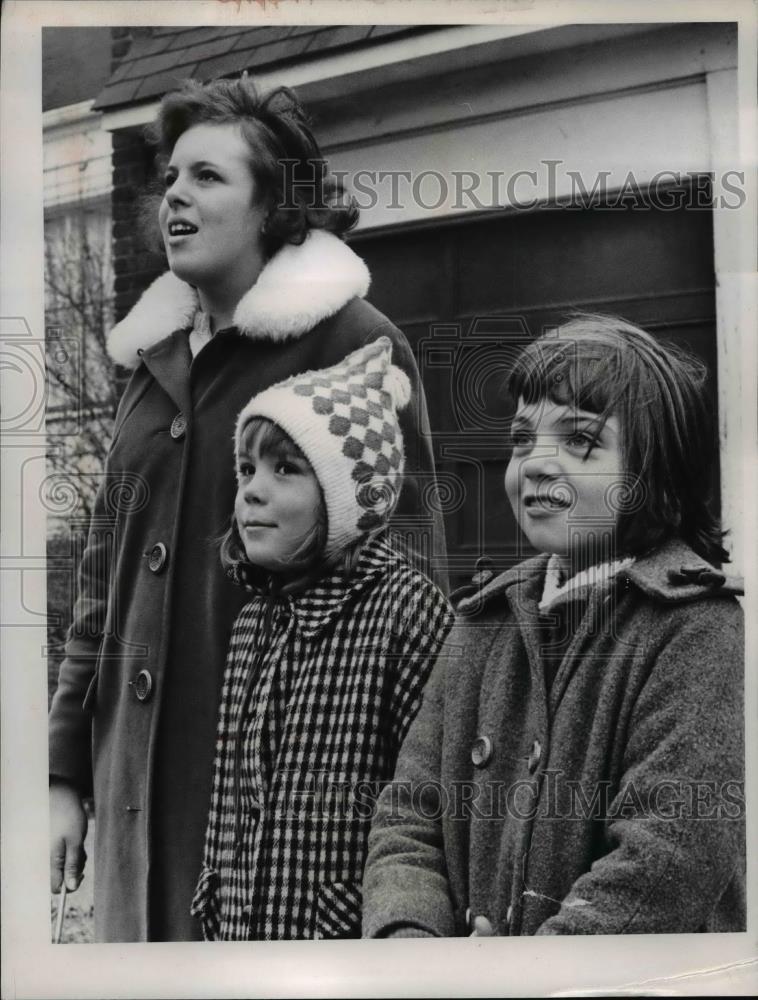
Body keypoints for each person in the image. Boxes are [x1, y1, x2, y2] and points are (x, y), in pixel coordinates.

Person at [48, 76, 446, 942]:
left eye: (209, 177)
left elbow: (414, 602)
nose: (176, 196)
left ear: (275, 207)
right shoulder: (145, 364)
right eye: (171, 178)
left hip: (276, 820)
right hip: (127, 798)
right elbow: (98, 583)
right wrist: (65, 772)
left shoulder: (354, 342)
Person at [362, 314, 745, 937]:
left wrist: (525, 974)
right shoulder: (479, 623)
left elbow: (668, 858)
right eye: (521, 440)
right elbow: (408, 818)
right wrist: (415, 947)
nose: (535, 464)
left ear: (659, 477)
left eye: (580, 441)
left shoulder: (695, 627)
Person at [191, 338, 453, 940]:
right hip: (241, 936)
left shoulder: (407, 613)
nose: (252, 489)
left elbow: (430, 809)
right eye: (246, 468)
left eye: (285, 468)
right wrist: (213, 892)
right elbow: (227, 799)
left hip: (345, 943)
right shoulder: (253, 622)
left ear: (346, 501)